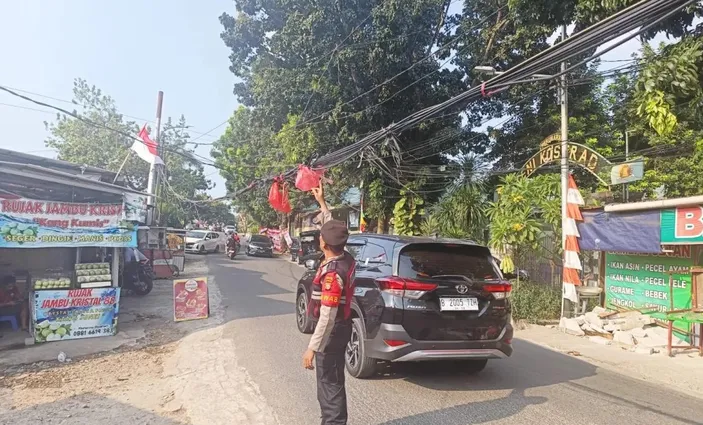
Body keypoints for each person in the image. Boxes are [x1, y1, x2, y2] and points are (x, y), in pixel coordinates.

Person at [302, 182, 356, 425]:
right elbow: (332, 227)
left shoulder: (333, 274)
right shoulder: (345, 257)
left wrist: (312, 348)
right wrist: (322, 203)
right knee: (331, 381)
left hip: (332, 333)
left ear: (323, 244)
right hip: (340, 329)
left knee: (329, 383)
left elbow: (327, 316)